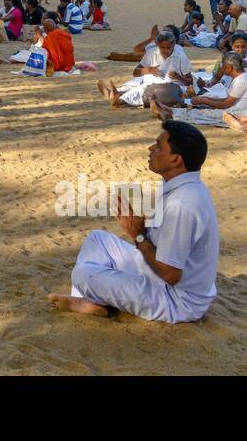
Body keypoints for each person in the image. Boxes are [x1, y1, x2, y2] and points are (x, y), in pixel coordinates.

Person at [49, 121, 218, 323]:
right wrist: (143, 227)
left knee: (83, 274)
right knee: (97, 239)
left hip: (176, 300)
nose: (151, 149)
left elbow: (171, 275)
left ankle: (90, 299)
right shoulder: (182, 186)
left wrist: (137, 234)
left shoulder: (182, 204)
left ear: (176, 160)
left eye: (158, 146)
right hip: (162, 279)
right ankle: (89, 302)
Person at [98, 31, 191, 110]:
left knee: (149, 91)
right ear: (157, 45)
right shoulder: (152, 53)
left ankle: (119, 99)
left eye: (168, 48)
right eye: (162, 47)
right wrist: (149, 70)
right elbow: (135, 72)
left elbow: (189, 82)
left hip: (172, 88)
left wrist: (179, 77)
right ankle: (116, 94)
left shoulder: (181, 56)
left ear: (174, 45)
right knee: (140, 87)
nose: (165, 51)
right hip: (149, 86)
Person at [165, 52, 247, 125]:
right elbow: (227, 100)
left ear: (229, 68)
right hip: (245, 108)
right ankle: (171, 110)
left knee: (206, 113)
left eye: (223, 66)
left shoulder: (241, 80)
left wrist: (204, 101)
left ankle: (169, 111)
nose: (222, 68)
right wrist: (206, 100)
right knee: (208, 105)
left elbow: (225, 104)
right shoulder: (243, 77)